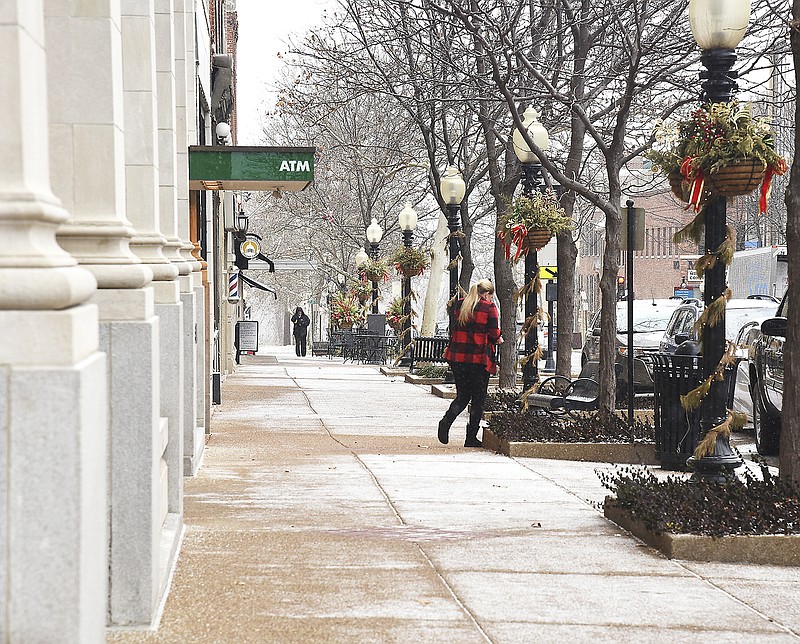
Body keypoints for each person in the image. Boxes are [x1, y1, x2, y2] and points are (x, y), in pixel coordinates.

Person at [438, 279, 504, 447]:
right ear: (487, 293)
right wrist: (498, 339)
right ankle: (471, 437)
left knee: (463, 396)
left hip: (458, 358)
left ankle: (446, 421)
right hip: (478, 359)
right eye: (491, 295)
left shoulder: (460, 305)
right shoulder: (489, 308)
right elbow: (494, 332)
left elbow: (455, 328)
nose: (490, 299)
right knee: (478, 399)